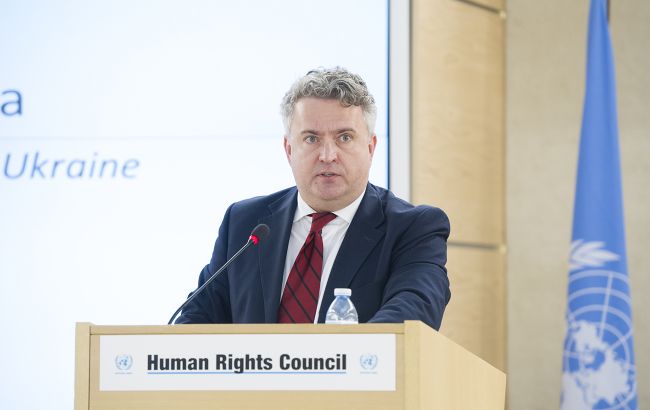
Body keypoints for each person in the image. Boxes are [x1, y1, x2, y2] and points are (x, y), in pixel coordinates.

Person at [175, 67, 450, 330]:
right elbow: (195, 321)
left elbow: (412, 315)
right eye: (311, 139)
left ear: (370, 147)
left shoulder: (413, 229)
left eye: (344, 137)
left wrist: (331, 358)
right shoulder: (246, 223)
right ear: (288, 149)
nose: (328, 155)